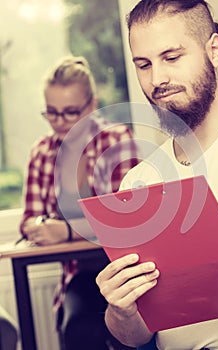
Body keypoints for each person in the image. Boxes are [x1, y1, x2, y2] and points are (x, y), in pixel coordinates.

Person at [96, 1, 218, 349]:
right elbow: (136, 336)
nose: (157, 79)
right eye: (144, 64)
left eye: (171, 58)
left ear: (214, 50)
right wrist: (121, 309)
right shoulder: (137, 184)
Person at [19, 56, 138, 350]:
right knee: (78, 329)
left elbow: (127, 217)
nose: (59, 122)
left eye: (70, 112)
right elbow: (28, 219)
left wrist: (67, 232)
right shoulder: (42, 152)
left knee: (131, 333)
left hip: (124, 269)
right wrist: (39, 226)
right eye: (51, 113)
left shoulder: (117, 139)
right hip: (80, 275)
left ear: (92, 105)